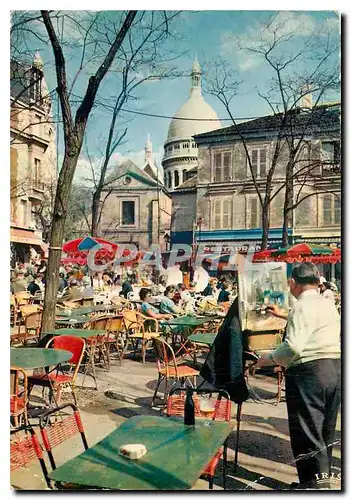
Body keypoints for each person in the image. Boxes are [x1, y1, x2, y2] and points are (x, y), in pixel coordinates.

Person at [257, 263, 340, 489]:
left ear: (293, 283)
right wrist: (284, 315)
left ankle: (313, 488)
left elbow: (292, 347)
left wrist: (269, 358)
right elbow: (313, 326)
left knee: (308, 434)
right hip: (334, 370)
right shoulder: (327, 303)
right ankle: (319, 483)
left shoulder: (301, 306)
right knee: (324, 433)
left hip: (309, 374)